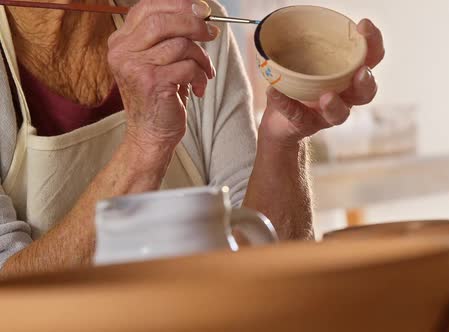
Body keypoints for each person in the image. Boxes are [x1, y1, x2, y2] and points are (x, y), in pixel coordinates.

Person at [0, 0, 384, 278]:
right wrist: (145, 145)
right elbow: (12, 300)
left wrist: (283, 139)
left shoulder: (191, 29)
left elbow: (272, 269)